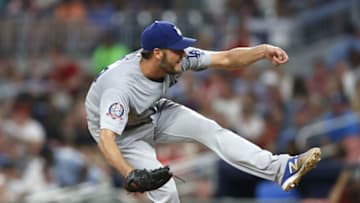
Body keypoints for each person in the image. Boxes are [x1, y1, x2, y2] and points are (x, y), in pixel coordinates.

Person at [84, 20, 321, 203]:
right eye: (177, 49)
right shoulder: (120, 87)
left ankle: (282, 168)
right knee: (166, 191)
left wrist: (263, 50)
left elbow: (226, 59)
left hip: (151, 111)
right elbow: (106, 139)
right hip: (123, 133)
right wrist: (129, 175)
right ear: (158, 53)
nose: (184, 52)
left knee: (210, 129)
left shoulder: (176, 59)